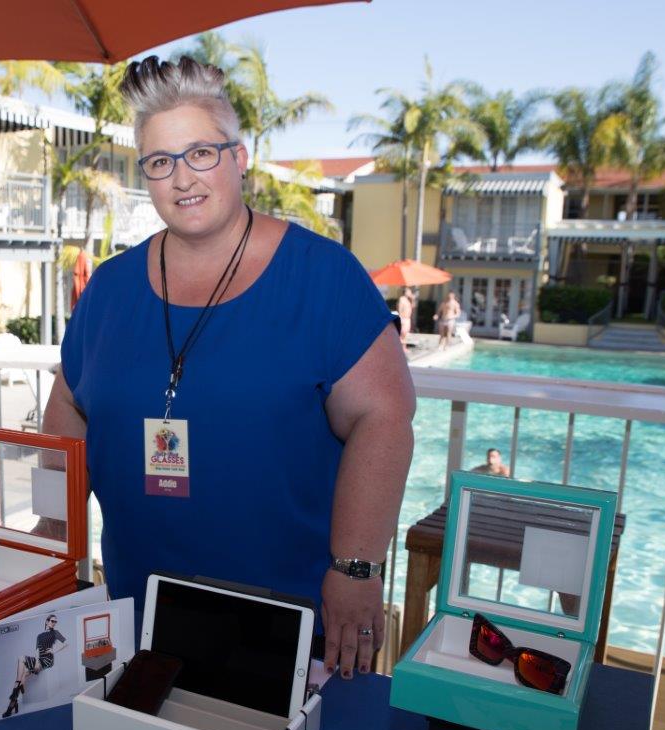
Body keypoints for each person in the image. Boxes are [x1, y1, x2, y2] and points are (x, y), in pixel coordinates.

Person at [44, 56, 415, 681]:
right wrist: (52, 531)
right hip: (138, 617)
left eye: (200, 154)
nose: (182, 178)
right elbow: (68, 407)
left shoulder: (323, 276)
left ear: (238, 158)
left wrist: (356, 568)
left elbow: (384, 417)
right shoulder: (108, 288)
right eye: (160, 162)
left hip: (284, 625)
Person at [3, 614, 68, 718]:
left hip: (48, 660)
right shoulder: (39, 635)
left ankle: (14, 698)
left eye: (55, 622)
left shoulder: (55, 633)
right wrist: (37, 662)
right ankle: (13, 703)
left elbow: (66, 643)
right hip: (39, 660)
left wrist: (54, 650)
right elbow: (37, 650)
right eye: (52, 621)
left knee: (21, 660)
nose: (54, 623)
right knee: (23, 672)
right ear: (47, 621)